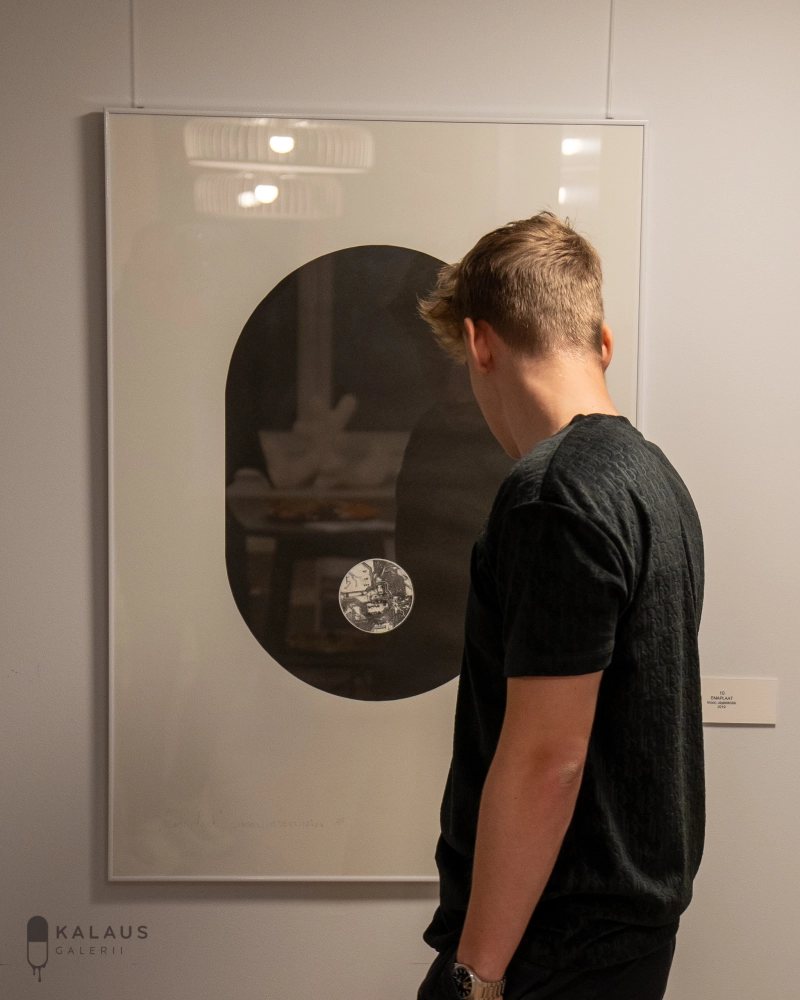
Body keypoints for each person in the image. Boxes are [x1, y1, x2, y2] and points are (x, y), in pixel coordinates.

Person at [415, 212, 704, 1000]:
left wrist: (476, 976)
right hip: (628, 938)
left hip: (552, 946)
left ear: (480, 342)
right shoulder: (654, 480)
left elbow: (550, 758)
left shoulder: (553, 494)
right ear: (602, 341)